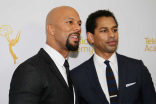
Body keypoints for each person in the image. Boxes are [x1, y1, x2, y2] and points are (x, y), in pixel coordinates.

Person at [71, 10, 156, 104]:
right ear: (91, 37)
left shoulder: (137, 68)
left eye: (114, 30)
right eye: (104, 31)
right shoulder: (77, 76)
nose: (112, 35)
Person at [9, 6, 81, 104]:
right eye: (70, 22)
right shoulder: (31, 70)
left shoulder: (66, 68)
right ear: (51, 29)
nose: (78, 28)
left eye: (79, 23)